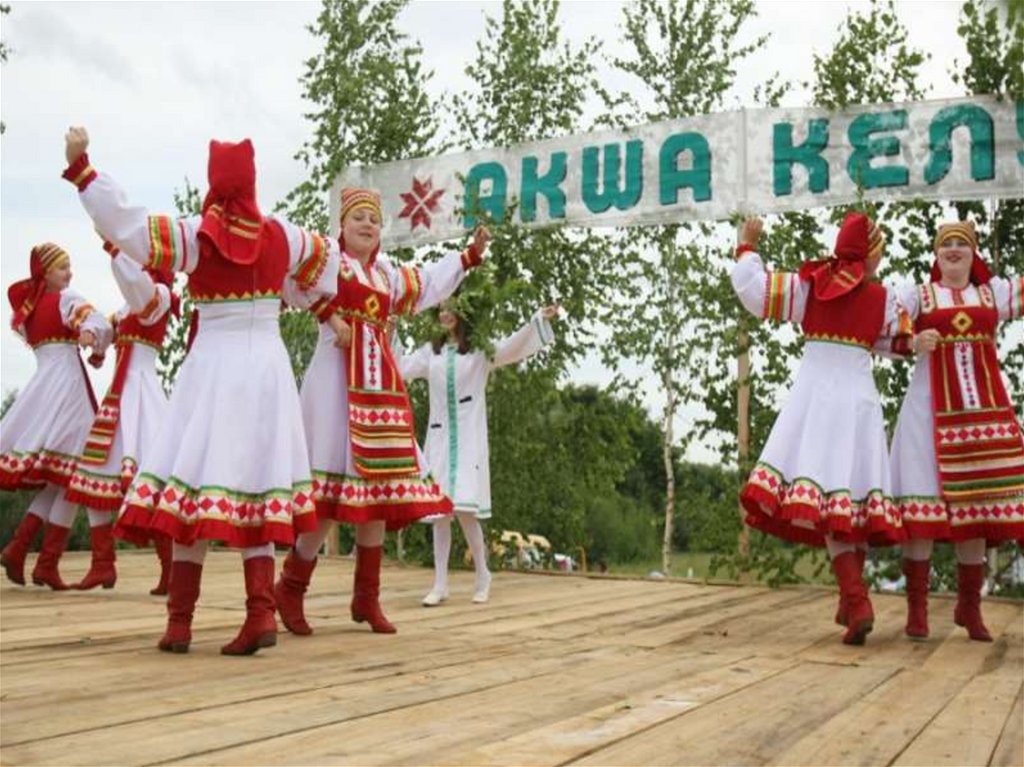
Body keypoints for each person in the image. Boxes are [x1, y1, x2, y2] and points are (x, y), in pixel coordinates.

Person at [63, 126, 338, 655]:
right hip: (268, 368)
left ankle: (180, 621)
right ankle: (260, 612)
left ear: (215, 181)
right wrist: (296, 296)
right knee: (257, 483)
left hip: (214, 362)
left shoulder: (197, 233)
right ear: (253, 180)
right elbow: (324, 275)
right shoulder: (287, 235)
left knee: (192, 481)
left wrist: (84, 172)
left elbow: (134, 229)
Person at [273, 188, 488, 636]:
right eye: (359, 217)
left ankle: (366, 598)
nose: (368, 224)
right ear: (342, 225)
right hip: (335, 383)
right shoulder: (327, 257)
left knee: (377, 495)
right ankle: (290, 588)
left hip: (379, 387)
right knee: (330, 495)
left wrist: (467, 257)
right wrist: (328, 315)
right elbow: (290, 280)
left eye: (374, 218)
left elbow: (427, 284)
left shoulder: (387, 274)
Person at [732, 212, 908, 645]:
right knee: (853, 502)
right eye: (878, 253)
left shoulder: (809, 286)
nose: (879, 262)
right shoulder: (883, 298)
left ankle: (857, 598)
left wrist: (748, 246)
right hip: (860, 401)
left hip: (818, 402)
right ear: (868, 255)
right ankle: (851, 603)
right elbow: (894, 342)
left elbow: (753, 291)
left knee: (832, 505)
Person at [890, 220, 1023, 642]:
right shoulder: (920, 295)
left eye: (960, 244)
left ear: (973, 253)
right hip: (927, 414)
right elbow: (886, 322)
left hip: (981, 415)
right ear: (936, 254)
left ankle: (969, 606)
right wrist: (913, 340)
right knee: (922, 509)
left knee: (979, 509)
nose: (952, 250)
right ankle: (917, 610)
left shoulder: (992, 294)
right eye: (945, 244)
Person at [398, 299, 557, 606]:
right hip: (440, 436)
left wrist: (538, 318)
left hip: (469, 437)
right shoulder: (430, 354)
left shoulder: (479, 352)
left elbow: (512, 347)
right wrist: (386, 333)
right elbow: (399, 366)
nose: (444, 314)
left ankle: (483, 573)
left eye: (451, 309)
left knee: (466, 509)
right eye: (441, 309)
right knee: (439, 511)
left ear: (464, 313)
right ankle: (440, 582)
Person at [65, 240, 178, 593]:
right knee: (93, 477)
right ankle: (103, 565)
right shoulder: (131, 303)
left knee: (151, 481)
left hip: (142, 396)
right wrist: (90, 333)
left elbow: (138, 290)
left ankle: (170, 569)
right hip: (120, 396)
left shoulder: (158, 294)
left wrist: (117, 248)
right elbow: (107, 327)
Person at [0, 243, 112, 589]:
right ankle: (50, 560)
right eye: (63, 267)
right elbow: (93, 320)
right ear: (46, 271)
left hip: (43, 387)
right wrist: (93, 336)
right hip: (67, 390)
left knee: (61, 477)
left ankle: (23, 551)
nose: (69, 273)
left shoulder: (27, 312)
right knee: (78, 470)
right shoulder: (66, 299)